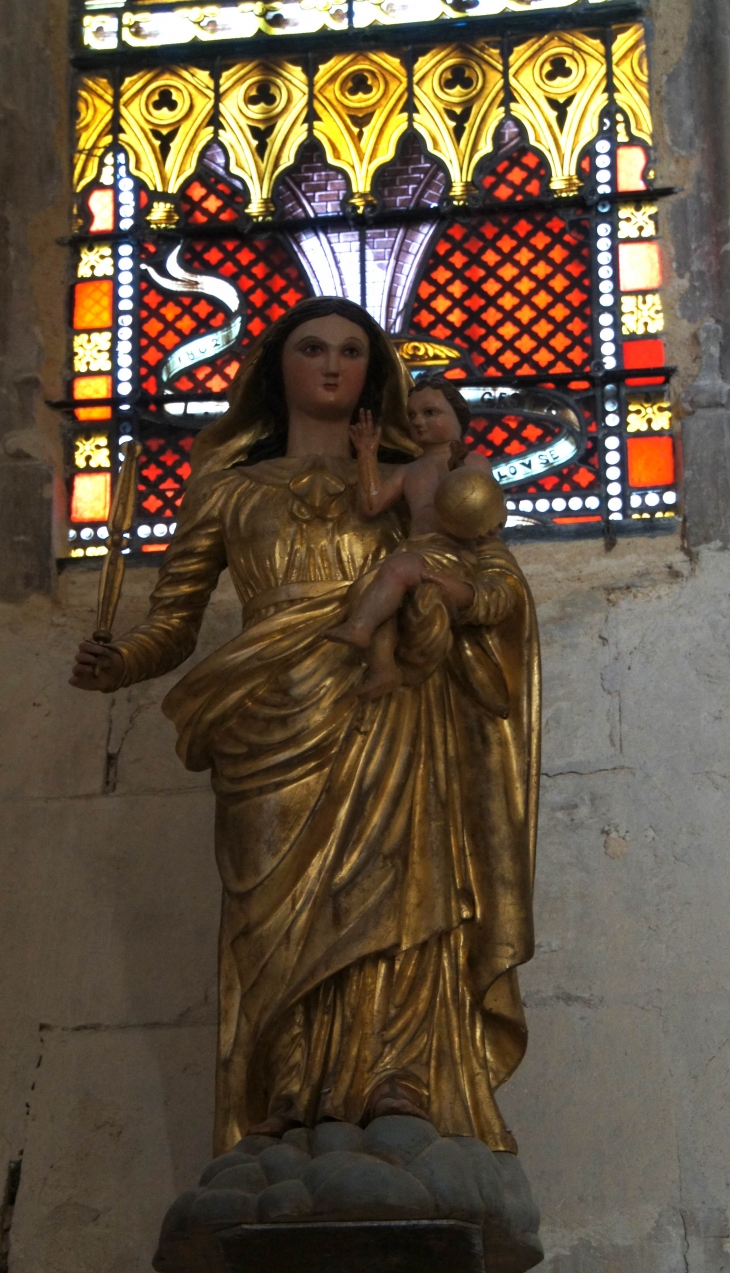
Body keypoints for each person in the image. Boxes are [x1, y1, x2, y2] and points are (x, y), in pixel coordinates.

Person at [70, 297, 540, 1156]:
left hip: (388, 705)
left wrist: (446, 602)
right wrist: (122, 662)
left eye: (352, 352)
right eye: (312, 348)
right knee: (274, 912)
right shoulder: (229, 489)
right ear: (274, 366)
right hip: (268, 717)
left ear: (376, 373)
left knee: (395, 891)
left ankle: (397, 1076)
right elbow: (173, 622)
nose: (331, 365)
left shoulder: (416, 477)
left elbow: (497, 582)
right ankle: (285, 1089)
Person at [326, 376, 507, 699]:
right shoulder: (411, 471)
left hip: (452, 553)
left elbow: (485, 507)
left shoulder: (472, 463)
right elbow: (371, 504)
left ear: (456, 416)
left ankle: (360, 628)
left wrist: (489, 518)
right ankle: (383, 669)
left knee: (394, 573)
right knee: (369, 590)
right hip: (416, 550)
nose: (418, 422)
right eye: (412, 416)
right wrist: (367, 453)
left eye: (430, 413)